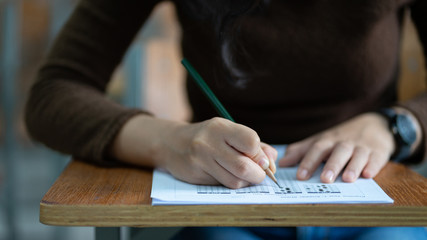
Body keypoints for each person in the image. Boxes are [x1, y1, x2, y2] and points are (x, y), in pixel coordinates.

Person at [25, 0, 427, 239]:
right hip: (219, 208)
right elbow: (55, 91)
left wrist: (396, 124)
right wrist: (169, 141)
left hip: (377, 201)